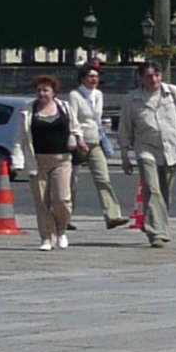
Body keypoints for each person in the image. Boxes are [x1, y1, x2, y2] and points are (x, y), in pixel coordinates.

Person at [123, 60, 176, 245]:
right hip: (145, 149)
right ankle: (157, 232)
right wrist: (125, 155)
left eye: (156, 75)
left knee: (164, 192)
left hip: (170, 149)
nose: (153, 79)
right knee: (152, 188)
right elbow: (125, 129)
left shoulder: (173, 93)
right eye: (149, 76)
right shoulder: (132, 99)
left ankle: (151, 222)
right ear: (141, 78)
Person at [66, 62, 130, 229]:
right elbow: (72, 120)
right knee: (71, 181)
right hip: (79, 143)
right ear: (82, 79)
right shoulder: (75, 95)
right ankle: (64, 217)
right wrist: (78, 139)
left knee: (103, 179)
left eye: (96, 76)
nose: (94, 79)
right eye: (90, 76)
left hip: (95, 142)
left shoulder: (99, 95)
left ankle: (112, 215)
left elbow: (97, 118)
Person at [22, 73, 79, 249]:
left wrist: (75, 137)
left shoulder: (65, 108)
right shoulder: (27, 111)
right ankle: (47, 237)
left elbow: (75, 127)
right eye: (39, 90)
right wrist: (18, 161)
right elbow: (19, 138)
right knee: (41, 201)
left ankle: (61, 230)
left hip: (61, 160)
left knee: (62, 199)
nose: (42, 94)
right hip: (37, 160)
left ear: (54, 92)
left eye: (46, 90)